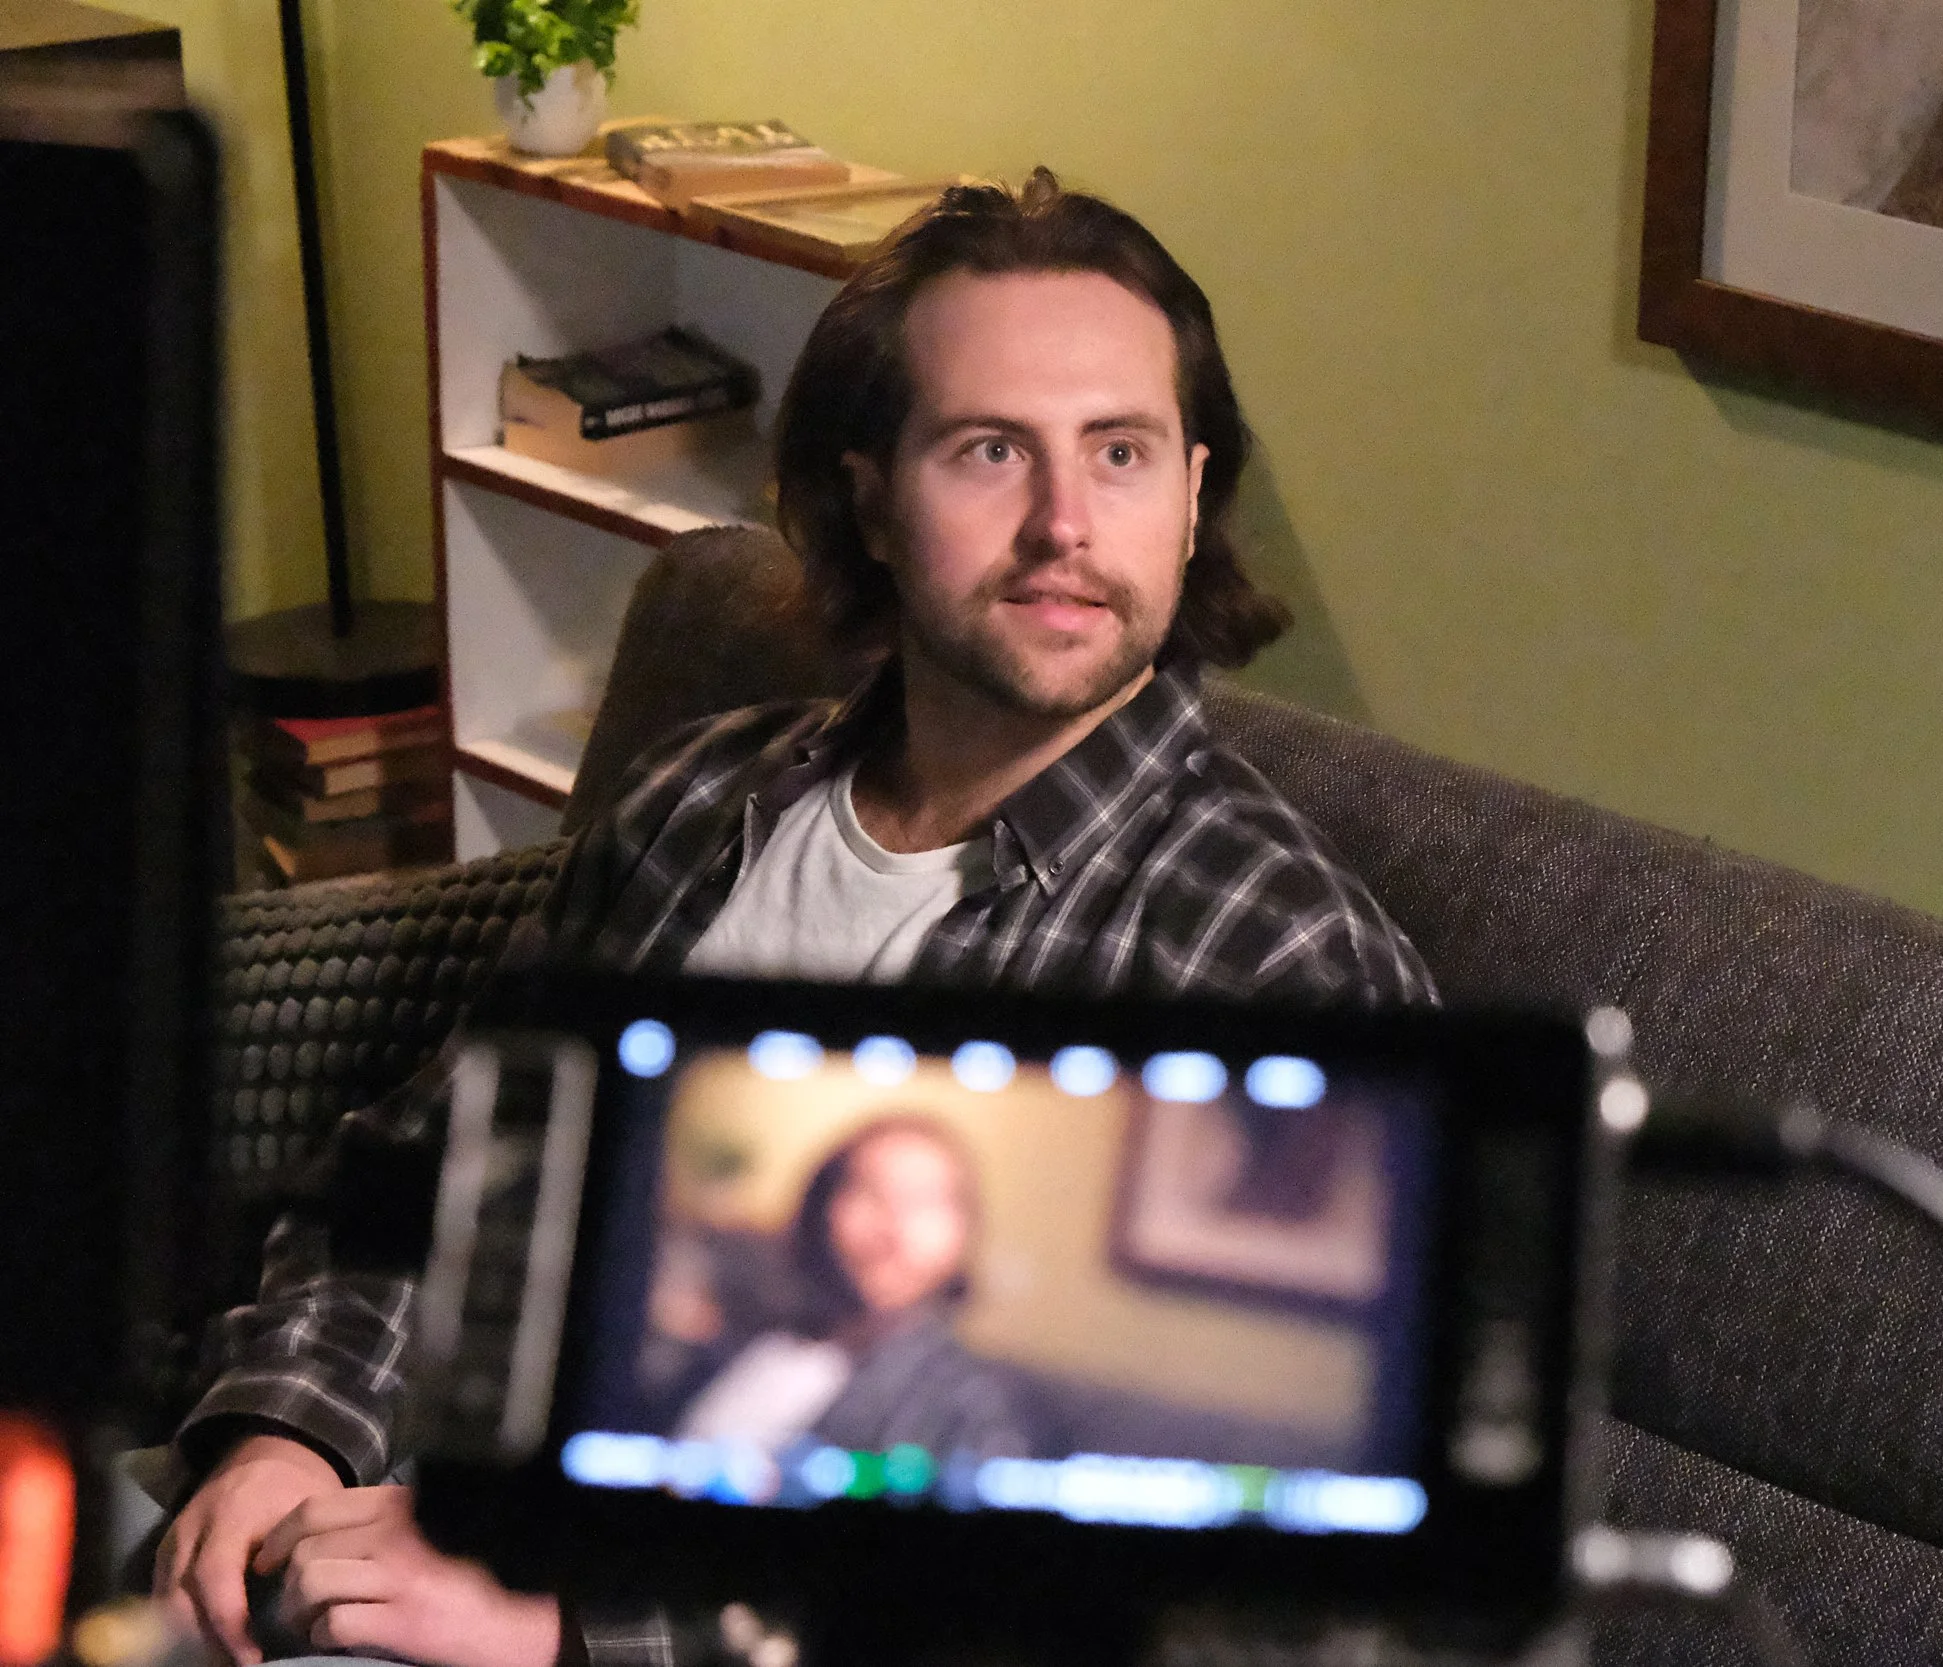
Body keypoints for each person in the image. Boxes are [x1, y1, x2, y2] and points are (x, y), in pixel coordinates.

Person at [152, 167, 1437, 1667]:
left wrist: (583, 1614)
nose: (1064, 523)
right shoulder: (703, 806)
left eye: (1121, 452)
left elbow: (1257, 1612)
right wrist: (282, 1434)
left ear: (1193, 492)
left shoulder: (1279, 966)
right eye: (987, 450)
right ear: (868, 500)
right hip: (375, 1543)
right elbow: (433, 1181)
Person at [663, 1117, 1026, 1464]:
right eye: (870, 1191)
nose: (893, 1227)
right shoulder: (748, 1337)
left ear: (963, 1232)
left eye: (925, 1200)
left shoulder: (969, 1408)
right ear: (822, 1207)